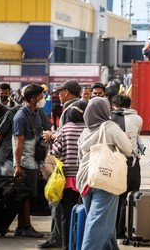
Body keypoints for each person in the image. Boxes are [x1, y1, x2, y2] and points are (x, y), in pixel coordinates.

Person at [76, 97, 132, 250]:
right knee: (97, 224)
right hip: (104, 178)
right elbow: (127, 149)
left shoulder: (85, 131)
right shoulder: (109, 127)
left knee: (102, 223)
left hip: (85, 181)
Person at [11, 83, 46, 239]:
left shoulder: (36, 113)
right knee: (26, 194)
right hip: (25, 162)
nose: (42, 99)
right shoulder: (20, 116)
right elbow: (19, 142)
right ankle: (26, 227)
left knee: (29, 194)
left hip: (34, 160)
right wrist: (17, 165)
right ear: (32, 99)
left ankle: (21, 227)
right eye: (40, 96)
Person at [50, 102, 86, 250]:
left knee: (66, 215)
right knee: (85, 213)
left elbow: (55, 152)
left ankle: (66, 246)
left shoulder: (65, 129)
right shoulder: (89, 129)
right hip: (85, 178)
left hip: (68, 179)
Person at [111, 94, 143, 239]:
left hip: (113, 162)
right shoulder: (137, 119)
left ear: (113, 106)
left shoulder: (108, 120)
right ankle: (127, 230)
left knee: (113, 197)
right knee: (130, 197)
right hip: (132, 163)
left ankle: (113, 231)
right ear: (130, 106)